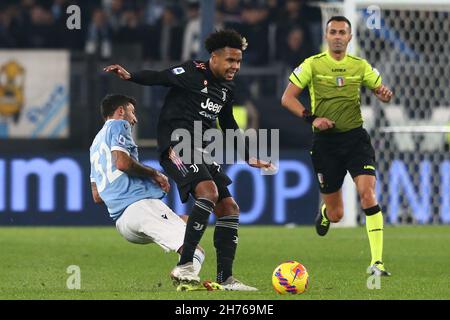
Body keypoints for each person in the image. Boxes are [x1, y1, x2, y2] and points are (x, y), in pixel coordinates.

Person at [104, 30, 273, 290]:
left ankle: (225, 279)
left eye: (238, 62)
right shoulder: (192, 71)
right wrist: (131, 76)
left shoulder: (227, 88)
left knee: (230, 209)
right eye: (230, 61)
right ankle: (185, 264)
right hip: (176, 144)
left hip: (200, 149)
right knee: (208, 192)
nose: (235, 67)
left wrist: (248, 156)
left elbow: (228, 123)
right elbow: (160, 77)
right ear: (214, 58)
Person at [281, 16, 393, 276]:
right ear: (326, 35)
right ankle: (325, 211)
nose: (338, 36)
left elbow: (380, 90)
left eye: (343, 32)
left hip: (355, 139)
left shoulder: (360, 65)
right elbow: (287, 98)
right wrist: (313, 118)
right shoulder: (313, 64)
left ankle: (377, 262)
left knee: (368, 194)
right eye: (333, 32)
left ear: (350, 37)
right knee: (337, 214)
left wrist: (384, 95)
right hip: (326, 144)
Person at [89, 94, 220, 291]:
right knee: (196, 252)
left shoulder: (95, 144)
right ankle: (184, 275)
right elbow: (123, 163)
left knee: (188, 222)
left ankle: (186, 278)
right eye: (132, 112)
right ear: (120, 111)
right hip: (139, 207)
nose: (135, 119)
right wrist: (154, 174)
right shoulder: (118, 125)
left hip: (123, 224)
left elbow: (97, 196)